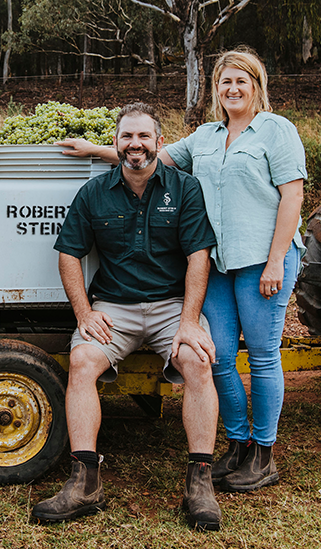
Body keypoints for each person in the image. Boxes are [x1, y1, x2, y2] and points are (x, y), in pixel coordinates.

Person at [57, 47, 305, 493]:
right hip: (220, 263)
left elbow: (292, 197)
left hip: (263, 260)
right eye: (225, 82)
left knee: (264, 356)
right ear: (215, 88)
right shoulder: (206, 137)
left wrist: (275, 261)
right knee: (221, 356)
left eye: (241, 81)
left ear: (256, 87)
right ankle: (236, 445)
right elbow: (153, 159)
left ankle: (263, 453)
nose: (232, 89)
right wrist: (96, 149)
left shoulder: (276, 131)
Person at [32, 103, 223, 531]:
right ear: (116, 143)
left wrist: (190, 321)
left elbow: (198, 257)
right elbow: (68, 256)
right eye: (126, 137)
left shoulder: (185, 188)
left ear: (159, 142)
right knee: (81, 362)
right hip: (113, 307)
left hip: (172, 305)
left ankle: (200, 481)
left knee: (197, 360)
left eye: (143, 136)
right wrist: (84, 313)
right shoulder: (94, 192)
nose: (134, 144)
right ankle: (85, 481)